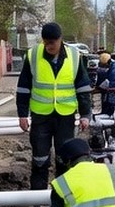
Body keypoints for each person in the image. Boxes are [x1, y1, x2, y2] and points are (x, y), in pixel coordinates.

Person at [16, 22, 93, 189]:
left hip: (65, 116)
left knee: (64, 159)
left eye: (52, 42)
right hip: (41, 116)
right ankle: (38, 199)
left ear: (61, 40)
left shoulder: (74, 56)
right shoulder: (33, 55)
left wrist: (86, 114)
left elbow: (83, 87)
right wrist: (22, 114)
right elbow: (23, 88)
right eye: (46, 42)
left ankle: (62, 198)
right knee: (39, 159)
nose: (49, 46)